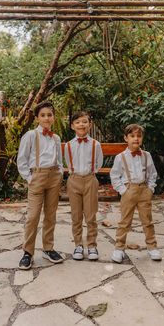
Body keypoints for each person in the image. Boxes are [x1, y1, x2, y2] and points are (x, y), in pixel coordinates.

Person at [17, 101, 64, 270]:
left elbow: (59, 160)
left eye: (49, 115)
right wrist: (29, 178)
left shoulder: (56, 138)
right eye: (43, 115)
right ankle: (27, 252)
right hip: (37, 176)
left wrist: (60, 173)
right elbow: (22, 159)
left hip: (53, 177)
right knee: (33, 216)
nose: (46, 118)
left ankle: (48, 248)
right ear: (37, 118)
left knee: (50, 214)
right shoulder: (30, 135)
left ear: (53, 117)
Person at [110, 123, 162, 263]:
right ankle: (119, 248)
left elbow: (152, 174)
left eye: (139, 136)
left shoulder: (147, 155)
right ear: (126, 138)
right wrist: (123, 191)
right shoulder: (121, 157)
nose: (136, 139)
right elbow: (114, 176)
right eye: (132, 136)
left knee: (147, 221)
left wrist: (150, 188)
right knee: (124, 221)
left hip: (144, 190)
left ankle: (152, 247)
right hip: (129, 191)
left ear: (142, 138)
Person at [64, 111, 103, 261]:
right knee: (76, 215)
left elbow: (98, 163)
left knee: (91, 215)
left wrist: (90, 174)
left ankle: (92, 245)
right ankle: (78, 245)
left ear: (90, 125)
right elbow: (67, 161)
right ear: (72, 126)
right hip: (73, 180)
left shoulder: (95, 144)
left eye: (84, 121)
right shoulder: (68, 145)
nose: (81, 124)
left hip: (90, 180)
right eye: (78, 122)